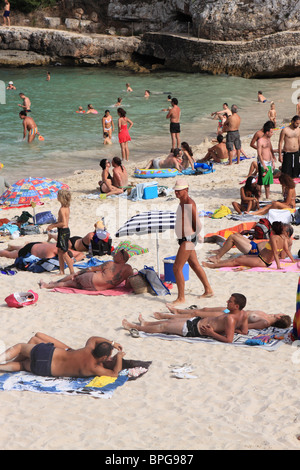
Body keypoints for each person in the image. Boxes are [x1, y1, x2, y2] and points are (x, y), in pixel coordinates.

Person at [122, 294, 248, 343]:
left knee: (164, 327)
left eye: (230, 301)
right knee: (169, 321)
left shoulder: (230, 319)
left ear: (236, 306)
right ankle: (146, 323)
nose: (227, 301)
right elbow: (245, 332)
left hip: (194, 329)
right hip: (197, 322)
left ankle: (135, 327)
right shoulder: (243, 314)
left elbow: (229, 340)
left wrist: (212, 333)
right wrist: (232, 330)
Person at [0, 332, 125, 378]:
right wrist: (119, 357)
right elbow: (114, 374)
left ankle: (1, 358)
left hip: (48, 353)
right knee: (22, 365)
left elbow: (93, 338)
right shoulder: (95, 368)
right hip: (46, 369)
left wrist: (112, 343)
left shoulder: (88, 349)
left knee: (21, 347)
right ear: (103, 358)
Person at [170, 178, 213, 305]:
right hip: (184, 239)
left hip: (187, 240)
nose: (176, 193)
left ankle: (181, 298)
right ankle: (208, 289)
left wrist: (196, 234)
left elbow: (198, 224)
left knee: (177, 268)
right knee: (194, 265)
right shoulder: (181, 202)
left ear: (186, 190)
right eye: (175, 191)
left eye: (179, 191)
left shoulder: (189, 203)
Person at [202, 221, 295, 271]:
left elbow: (279, 254)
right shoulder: (280, 238)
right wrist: (293, 260)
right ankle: (218, 260)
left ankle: (213, 265)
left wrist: (278, 266)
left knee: (236, 260)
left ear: (286, 233)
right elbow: (285, 251)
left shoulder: (280, 239)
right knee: (240, 256)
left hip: (261, 259)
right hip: (260, 255)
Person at [39, 249, 133, 292]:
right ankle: (49, 285)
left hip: (91, 279)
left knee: (73, 278)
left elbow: (90, 268)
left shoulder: (110, 263)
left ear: (121, 257)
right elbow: (127, 285)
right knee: (69, 284)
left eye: (116, 254)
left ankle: (49, 284)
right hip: (95, 288)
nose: (114, 255)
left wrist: (78, 272)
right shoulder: (128, 269)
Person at [155, 304, 291, 330]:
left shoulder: (265, 322)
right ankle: (178, 311)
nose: (278, 312)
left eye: (281, 314)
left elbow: (246, 327)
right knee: (205, 309)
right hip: (231, 310)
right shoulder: (267, 315)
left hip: (228, 316)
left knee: (197, 315)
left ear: (280, 318)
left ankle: (166, 315)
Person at [47, 189, 74, 276]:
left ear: (61, 198)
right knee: (59, 251)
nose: (57, 197)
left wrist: (52, 226)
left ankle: (72, 272)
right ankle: (61, 271)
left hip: (63, 232)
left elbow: (63, 223)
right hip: (64, 231)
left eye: (58, 195)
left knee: (64, 253)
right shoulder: (67, 207)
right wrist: (54, 224)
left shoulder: (62, 209)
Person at [0, 240, 83, 262]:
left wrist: (74, 260)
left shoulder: (65, 249)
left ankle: (13, 246)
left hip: (38, 245)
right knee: (9, 255)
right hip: (30, 250)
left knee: (21, 249)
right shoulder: (52, 253)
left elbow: (82, 254)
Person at [257, 120, 276, 199]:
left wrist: (272, 161)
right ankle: (258, 196)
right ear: (267, 132)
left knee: (268, 182)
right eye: (271, 132)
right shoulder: (260, 141)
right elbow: (259, 154)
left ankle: (267, 197)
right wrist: (263, 165)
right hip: (263, 163)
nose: (272, 134)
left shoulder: (268, 139)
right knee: (261, 182)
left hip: (269, 162)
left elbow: (269, 151)